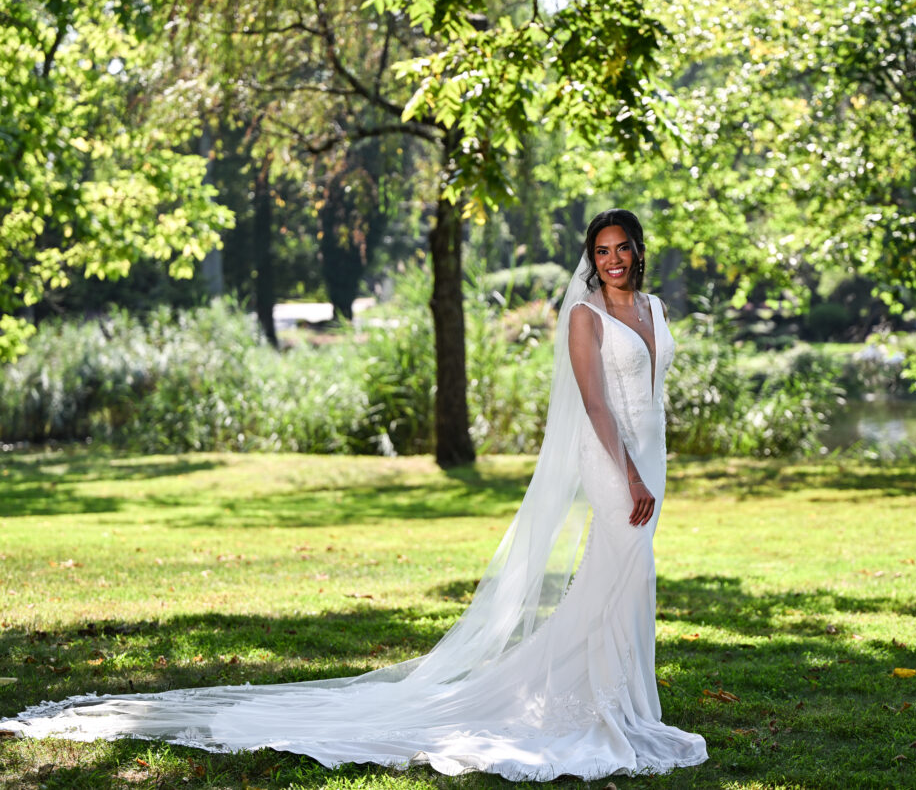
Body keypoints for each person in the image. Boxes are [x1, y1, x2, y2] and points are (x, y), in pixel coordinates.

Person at [2, 209, 707, 780]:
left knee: (629, 577)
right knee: (616, 574)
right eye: (602, 251)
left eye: (622, 248)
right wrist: (629, 473)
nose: (614, 259)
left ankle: (621, 698)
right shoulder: (585, 315)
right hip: (614, 459)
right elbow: (596, 402)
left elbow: (652, 391)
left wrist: (651, 464)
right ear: (592, 259)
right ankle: (594, 704)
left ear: (638, 251)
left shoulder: (652, 306)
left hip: (652, 456)